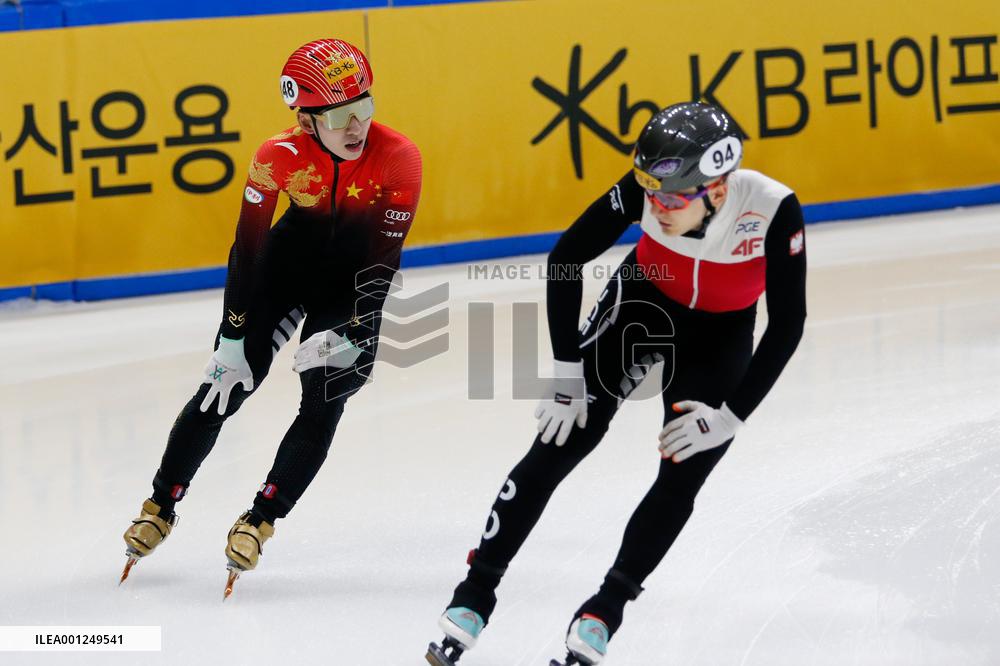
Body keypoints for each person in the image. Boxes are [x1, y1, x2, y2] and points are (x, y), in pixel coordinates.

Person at [427, 102, 806, 665]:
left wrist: (730, 416)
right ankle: (474, 594)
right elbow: (566, 259)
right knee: (560, 439)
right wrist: (565, 369)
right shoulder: (648, 186)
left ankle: (605, 609)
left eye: (670, 199)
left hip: (720, 336)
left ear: (718, 190)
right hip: (642, 303)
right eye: (649, 193)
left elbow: (789, 322)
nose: (654, 207)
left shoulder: (773, 209)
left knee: (683, 472)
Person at [120, 38, 422, 597]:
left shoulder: (400, 156)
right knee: (219, 390)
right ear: (306, 119)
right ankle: (161, 504)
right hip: (284, 272)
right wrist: (232, 335)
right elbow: (249, 250)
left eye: (365, 105)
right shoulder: (276, 156)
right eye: (339, 114)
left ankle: (262, 517)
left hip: (350, 290)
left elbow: (383, 259)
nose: (357, 125)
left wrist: (357, 329)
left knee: (324, 395)